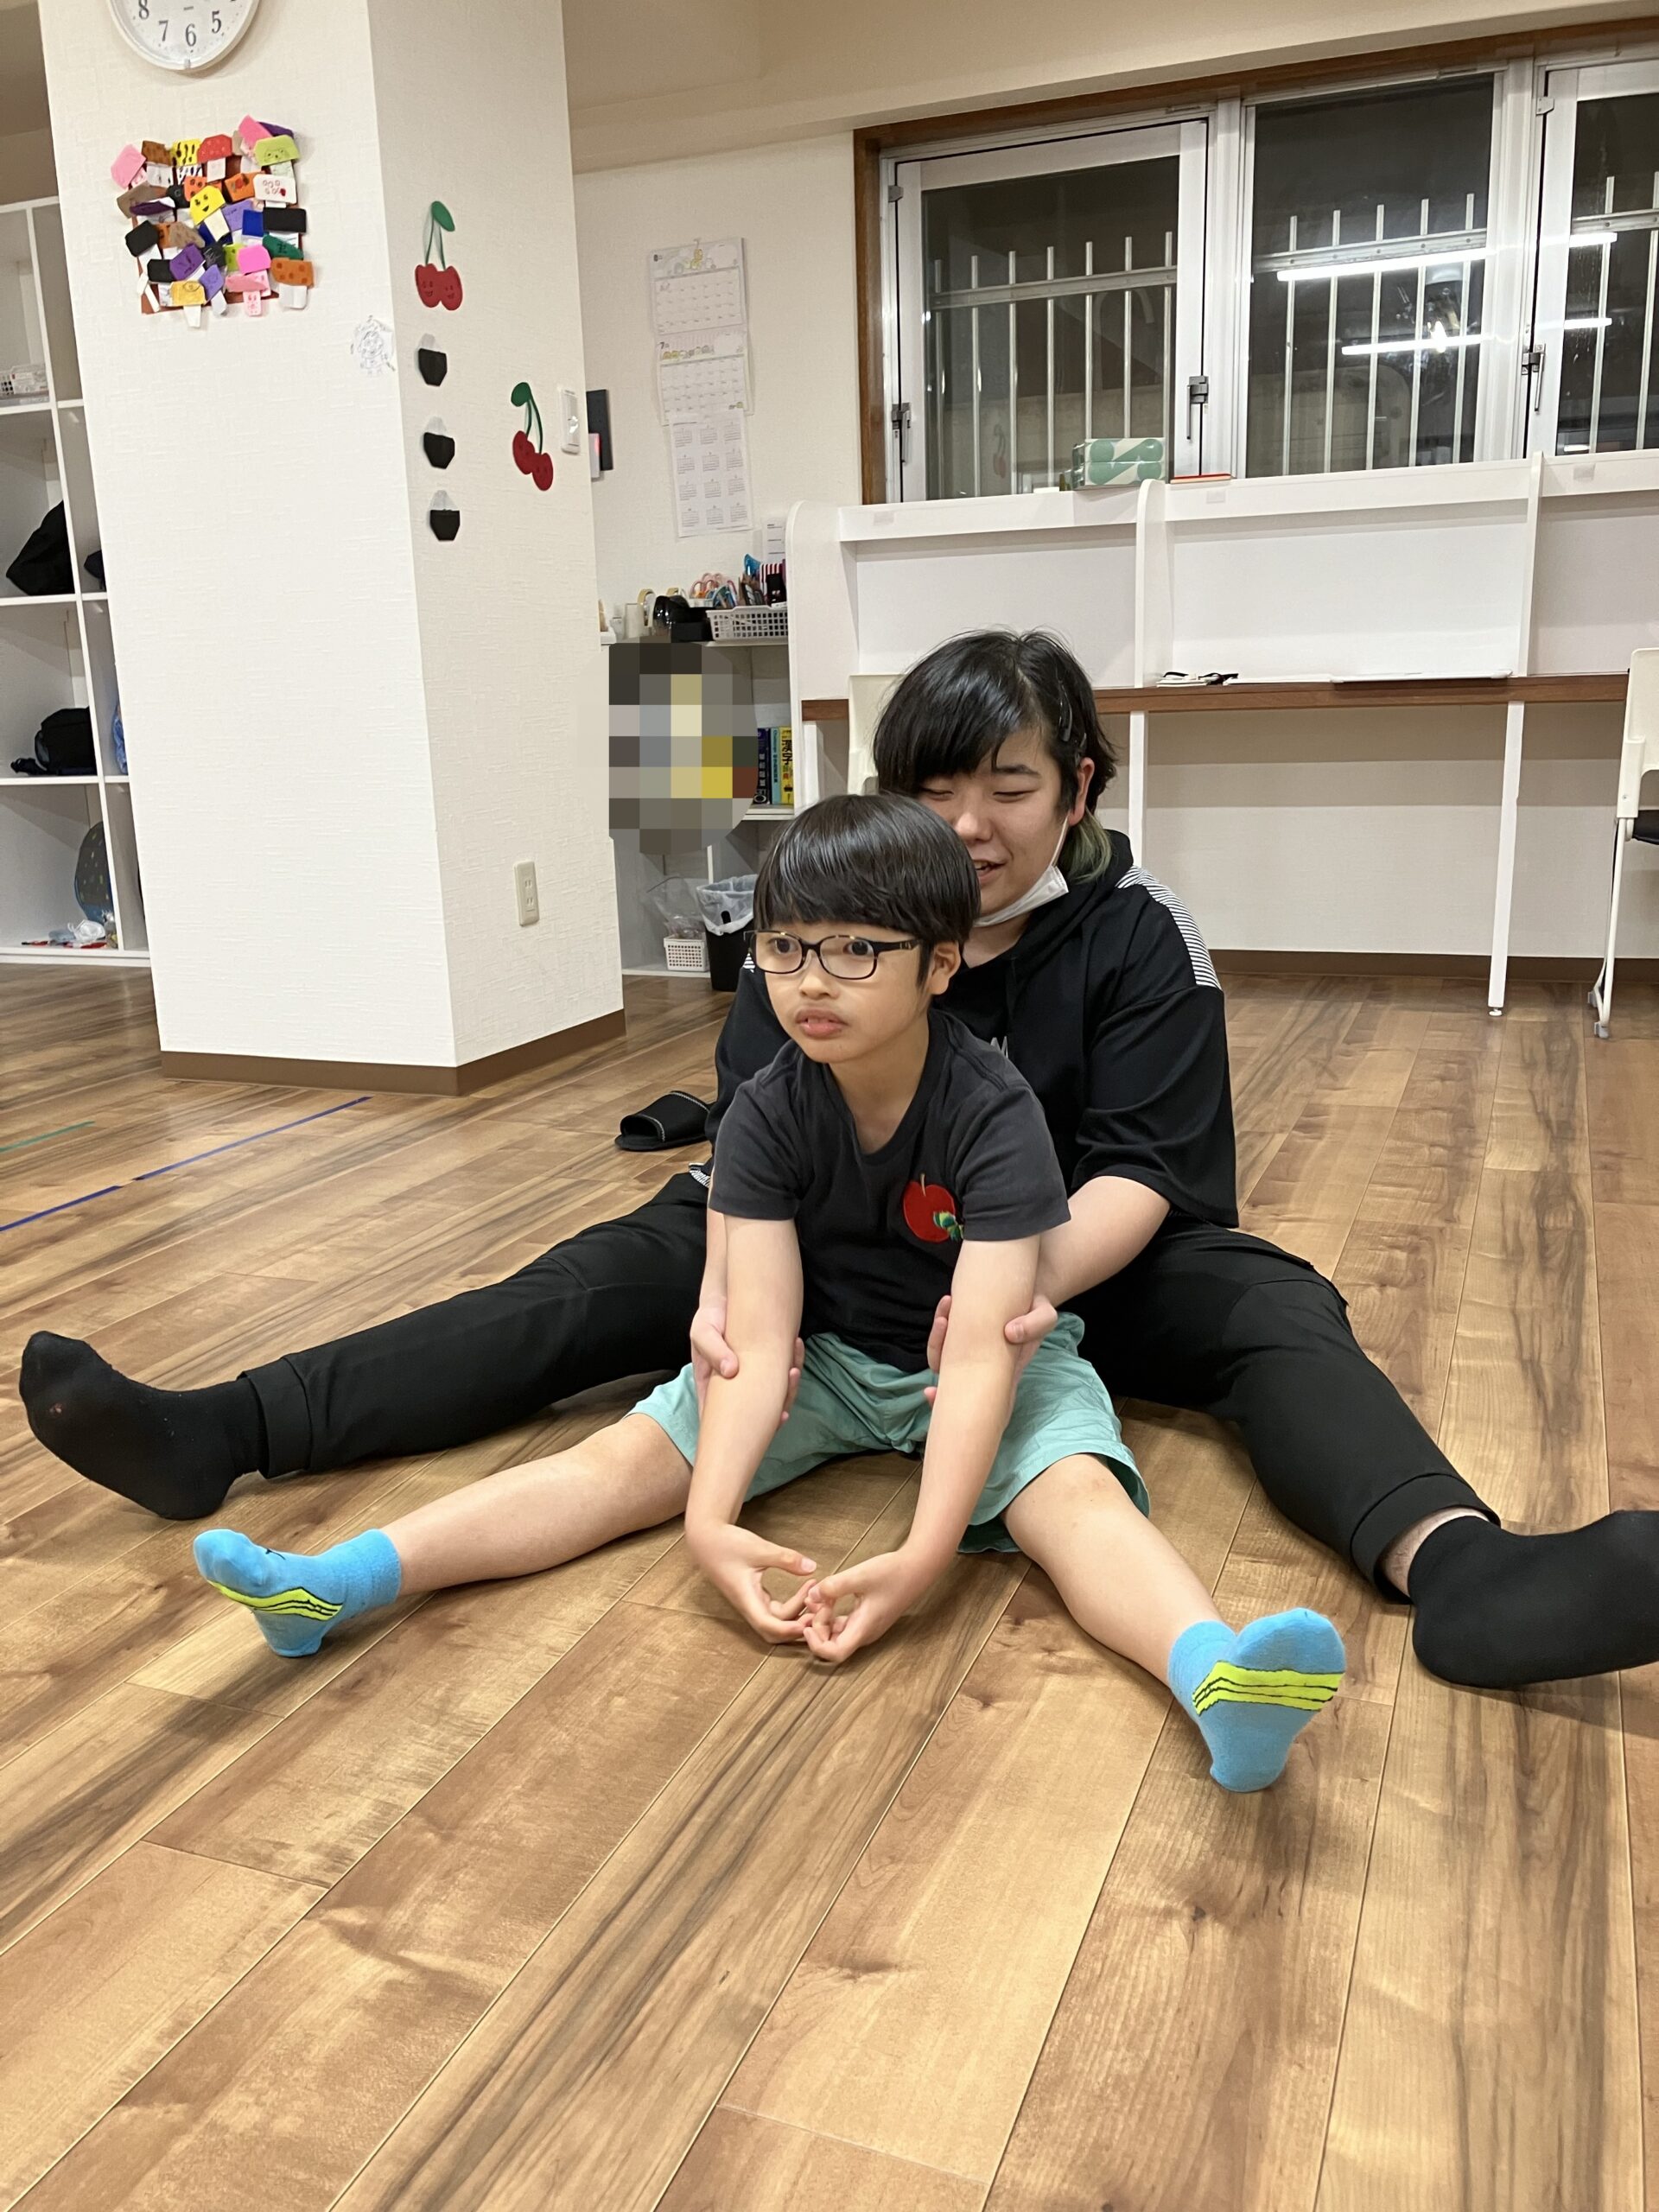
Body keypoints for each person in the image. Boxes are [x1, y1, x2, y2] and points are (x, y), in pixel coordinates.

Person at [20, 630, 1659, 1690]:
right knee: (589, 1285)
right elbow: (755, 1141)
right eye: (933, 788)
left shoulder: (1140, 934)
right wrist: (734, 1298)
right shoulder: (815, 934)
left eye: (1008, 784)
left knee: (1269, 1304)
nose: (968, 823)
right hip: (814, 1245)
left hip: (1062, 1257)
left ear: (1079, 786)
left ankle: (1460, 1568)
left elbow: (1147, 1172)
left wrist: (1007, 1293)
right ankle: (229, 1431)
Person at [192, 796, 1345, 1793]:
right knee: (612, 1465)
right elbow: (758, 1329)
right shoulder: (765, 1110)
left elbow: (985, 1347)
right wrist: (709, 1524)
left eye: (858, 951)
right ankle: (333, 1586)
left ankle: (1218, 1681)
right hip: (826, 1361)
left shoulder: (996, 1114)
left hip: (981, 1358)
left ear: (942, 965)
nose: (811, 982)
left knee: (1081, 1505)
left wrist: (923, 1555)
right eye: (785, 948)